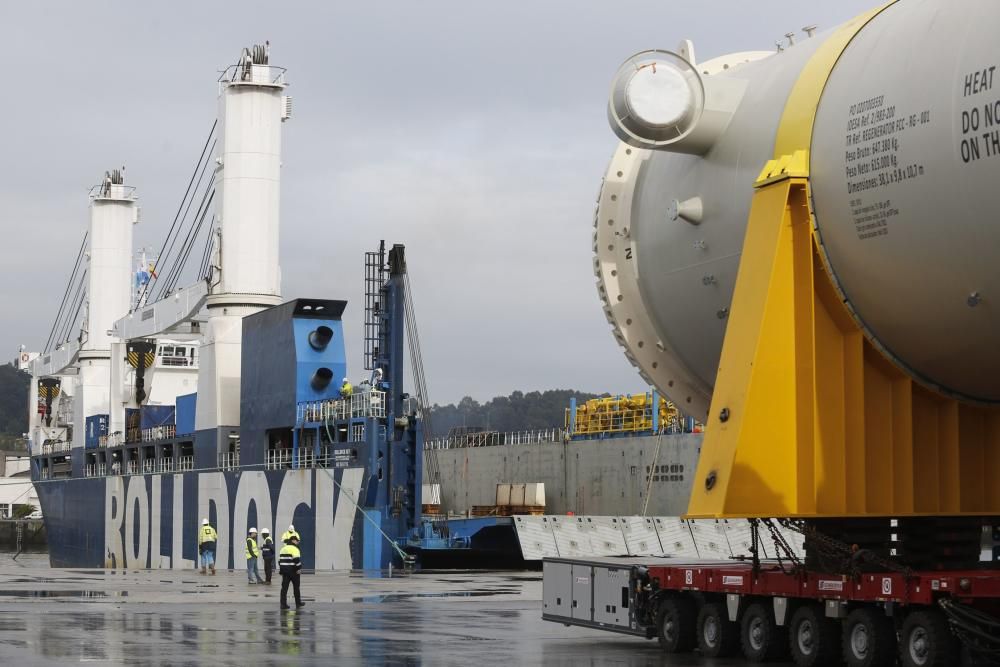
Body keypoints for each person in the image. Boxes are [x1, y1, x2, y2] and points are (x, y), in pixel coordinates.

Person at [279, 534, 305, 610]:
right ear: (293, 540)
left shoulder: (283, 549)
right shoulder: (295, 549)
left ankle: (283, 604)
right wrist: (299, 568)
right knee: (296, 588)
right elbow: (296, 560)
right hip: (294, 571)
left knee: (284, 589)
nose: (297, 542)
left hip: (285, 572)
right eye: (297, 541)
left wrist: (282, 570)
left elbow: (279, 561)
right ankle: (298, 603)